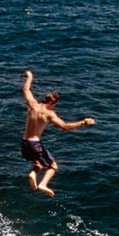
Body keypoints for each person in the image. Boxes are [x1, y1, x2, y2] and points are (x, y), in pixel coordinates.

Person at [21, 70, 96, 198]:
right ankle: (43, 184)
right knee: (53, 166)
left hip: (24, 143)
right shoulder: (49, 114)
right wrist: (83, 122)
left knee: (38, 163)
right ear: (53, 103)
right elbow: (65, 126)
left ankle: (33, 174)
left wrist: (30, 77)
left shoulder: (32, 104)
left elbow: (26, 90)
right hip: (35, 143)